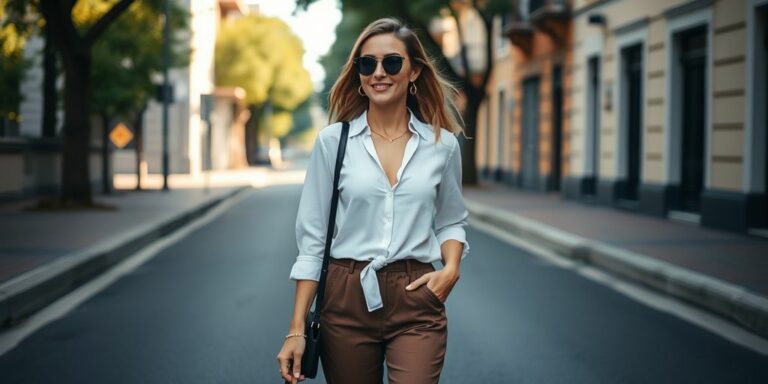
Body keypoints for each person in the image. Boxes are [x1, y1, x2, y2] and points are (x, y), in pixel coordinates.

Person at [277, 17, 471, 384]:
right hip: (345, 295)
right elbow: (313, 241)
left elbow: (451, 220)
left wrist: (451, 268)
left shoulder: (441, 146)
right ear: (359, 74)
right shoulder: (333, 143)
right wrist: (296, 328)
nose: (378, 73)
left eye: (392, 62)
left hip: (416, 295)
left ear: (414, 71)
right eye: (367, 64)